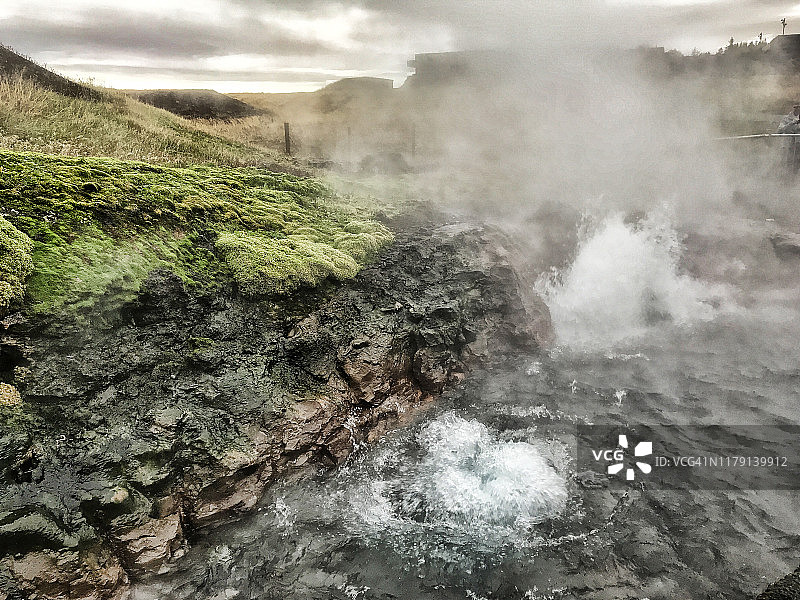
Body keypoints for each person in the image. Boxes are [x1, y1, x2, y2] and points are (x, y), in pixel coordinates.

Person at [778, 103, 800, 173]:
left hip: (798, 146)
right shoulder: (786, 118)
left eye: (799, 107)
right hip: (788, 145)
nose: (798, 109)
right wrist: (792, 123)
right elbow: (779, 130)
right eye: (796, 107)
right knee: (786, 162)